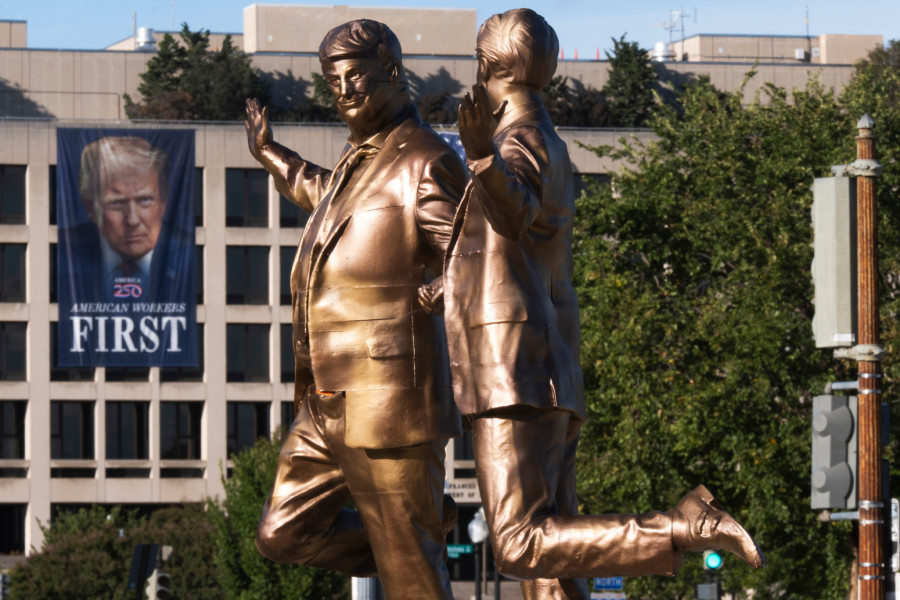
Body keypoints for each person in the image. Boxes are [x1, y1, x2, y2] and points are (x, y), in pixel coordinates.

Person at [435, 9, 765, 599]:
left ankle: (683, 526)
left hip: (513, 371)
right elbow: (508, 256)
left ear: (485, 67)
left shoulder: (518, 143)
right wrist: (439, 291)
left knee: (518, 542)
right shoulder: (547, 141)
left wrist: (481, 154)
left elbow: (513, 214)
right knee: (555, 565)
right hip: (547, 367)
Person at [244, 19, 468, 600]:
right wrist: (271, 155)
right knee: (282, 533)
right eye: (333, 80)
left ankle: (412, 543)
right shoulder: (357, 161)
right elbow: (325, 198)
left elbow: (477, 250)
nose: (342, 91)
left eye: (355, 78)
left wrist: (440, 288)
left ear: (392, 75)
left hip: (389, 394)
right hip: (326, 398)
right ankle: (415, 534)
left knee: (410, 576)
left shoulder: (426, 161)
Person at [74, 136, 170, 299]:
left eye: (145, 200)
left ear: (164, 202)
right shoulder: (66, 254)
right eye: (116, 203)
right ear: (90, 207)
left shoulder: (188, 253)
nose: (132, 220)